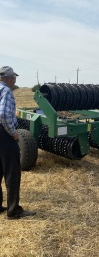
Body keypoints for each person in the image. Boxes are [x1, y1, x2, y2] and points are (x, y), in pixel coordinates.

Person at [0, 66, 36, 219]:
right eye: (14, 78)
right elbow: (2, 114)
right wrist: (13, 133)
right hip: (4, 135)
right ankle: (14, 210)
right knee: (12, 172)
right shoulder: (7, 91)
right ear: (10, 79)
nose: (15, 81)